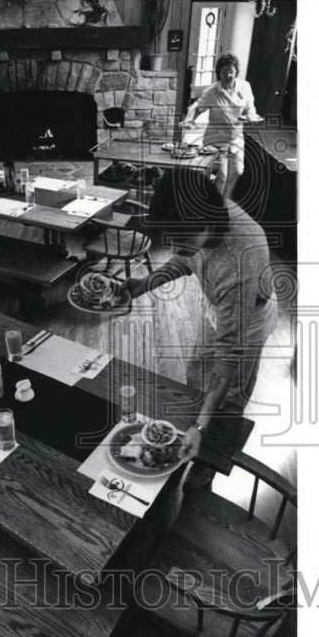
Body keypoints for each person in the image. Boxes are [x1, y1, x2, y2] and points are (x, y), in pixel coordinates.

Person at [125, 168, 277, 482]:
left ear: (207, 224)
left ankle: (208, 461)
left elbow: (229, 352)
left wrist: (202, 425)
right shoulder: (200, 223)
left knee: (231, 396)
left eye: (181, 241)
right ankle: (192, 429)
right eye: (171, 240)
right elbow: (186, 258)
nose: (176, 247)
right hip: (220, 303)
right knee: (197, 367)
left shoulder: (238, 266)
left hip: (248, 318)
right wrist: (143, 284)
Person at [182, 52, 262, 199]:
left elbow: (250, 107)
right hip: (216, 140)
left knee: (238, 171)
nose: (228, 76)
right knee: (222, 175)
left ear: (236, 71)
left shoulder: (245, 87)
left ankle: (224, 201)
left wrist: (250, 115)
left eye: (231, 71)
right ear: (219, 74)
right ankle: (214, 205)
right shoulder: (212, 91)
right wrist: (189, 121)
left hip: (236, 139)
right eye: (224, 72)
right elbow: (198, 108)